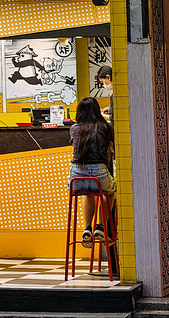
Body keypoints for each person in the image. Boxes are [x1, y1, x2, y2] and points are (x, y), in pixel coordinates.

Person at [69, 96, 115, 247]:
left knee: (88, 193)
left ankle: (87, 227)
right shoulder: (105, 128)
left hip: (77, 176)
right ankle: (100, 227)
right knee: (109, 192)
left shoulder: (74, 128)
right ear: (97, 111)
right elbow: (112, 149)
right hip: (99, 173)